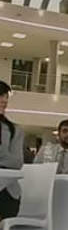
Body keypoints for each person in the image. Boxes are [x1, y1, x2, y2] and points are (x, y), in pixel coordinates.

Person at [0, 81, 25, 220]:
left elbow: (17, 162)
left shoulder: (14, 130)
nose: (4, 100)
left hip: (7, 192)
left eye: (5, 96)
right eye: (1, 96)